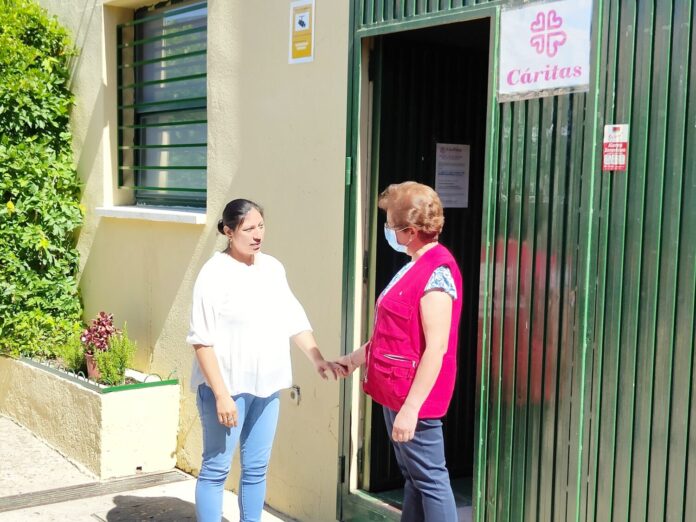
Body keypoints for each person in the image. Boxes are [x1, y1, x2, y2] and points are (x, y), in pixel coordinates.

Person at [187, 198, 341, 522]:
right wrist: (221, 395)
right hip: (226, 390)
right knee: (216, 469)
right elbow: (201, 341)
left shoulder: (272, 268)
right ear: (229, 231)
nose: (258, 235)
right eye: (248, 229)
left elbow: (292, 317)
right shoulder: (214, 274)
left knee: (256, 469)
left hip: (267, 387)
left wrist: (317, 359)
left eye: (261, 226)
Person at [338, 182, 463, 522]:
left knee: (432, 480)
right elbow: (397, 334)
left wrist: (411, 409)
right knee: (416, 479)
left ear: (410, 231)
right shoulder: (414, 263)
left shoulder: (437, 273)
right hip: (396, 390)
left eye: (391, 225)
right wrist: (353, 360)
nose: (387, 231)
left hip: (414, 398)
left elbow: (435, 348)